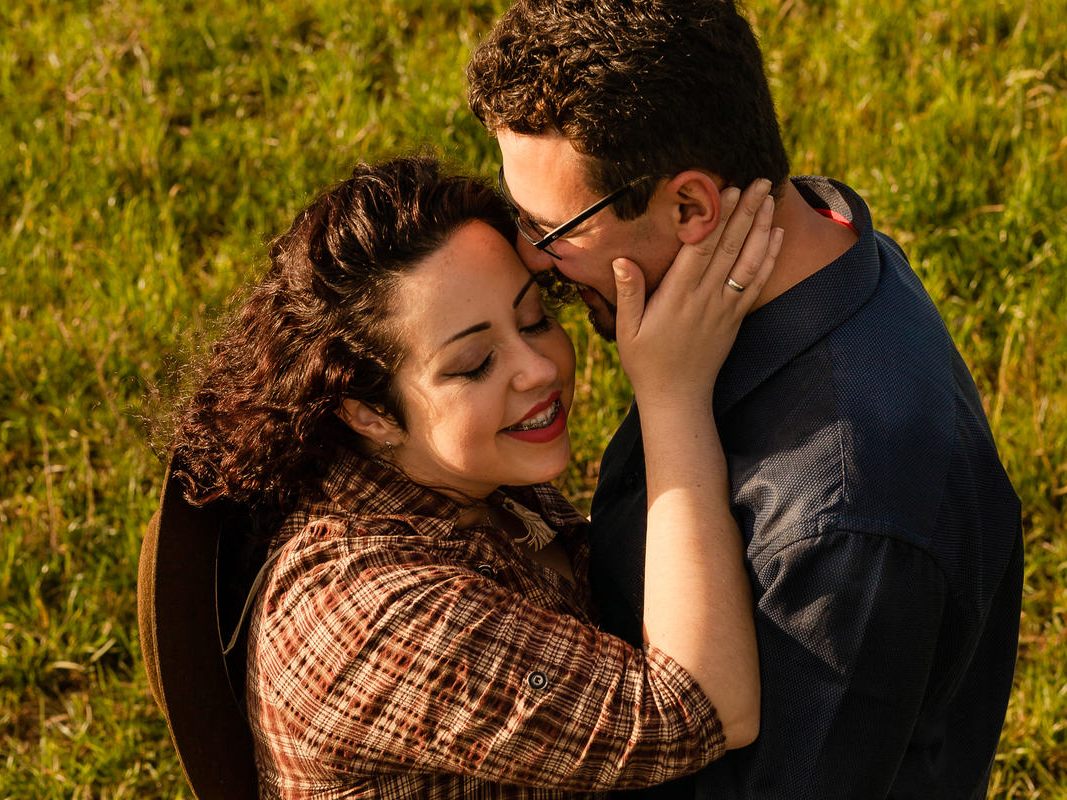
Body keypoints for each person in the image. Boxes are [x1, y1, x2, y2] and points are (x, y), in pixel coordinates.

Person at [466, 2, 1024, 798]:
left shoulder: (843, 523)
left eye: (553, 227)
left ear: (691, 210)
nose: (531, 256)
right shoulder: (813, 245)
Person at [139, 155, 783, 799]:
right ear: (369, 412)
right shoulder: (375, 617)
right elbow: (703, 711)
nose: (537, 368)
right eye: (474, 363)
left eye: (533, 319)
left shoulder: (460, 470)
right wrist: (674, 396)